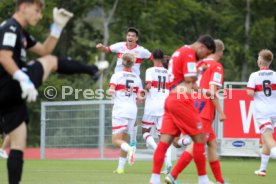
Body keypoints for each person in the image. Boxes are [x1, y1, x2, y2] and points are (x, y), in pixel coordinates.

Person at [0, 1, 108, 183]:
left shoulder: (21, 32)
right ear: (24, 6)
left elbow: (44, 50)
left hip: (11, 94)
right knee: (50, 61)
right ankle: (92, 70)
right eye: (37, 10)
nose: (39, 15)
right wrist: (23, 79)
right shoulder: (10, 28)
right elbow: (3, 57)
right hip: (8, 84)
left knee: (18, 142)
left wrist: (57, 28)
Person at [149, 35, 216, 184]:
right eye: (205, 54)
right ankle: (203, 180)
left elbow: (185, 82)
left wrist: (204, 92)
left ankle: (154, 179)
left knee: (164, 142)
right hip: (181, 100)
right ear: (202, 47)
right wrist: (200, 69)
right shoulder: (189, 53)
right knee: (200, 139)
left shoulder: (179, 51)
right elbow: (189, 78)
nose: (204, 57)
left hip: (171, 100)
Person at [167, 39, 227, 184]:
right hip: (204, 110)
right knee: (196, 145)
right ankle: (172, 175)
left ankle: (220, 180)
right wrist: (220, 111)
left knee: (212, 144)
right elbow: (212, 92)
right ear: (220, 52)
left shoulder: (199, 63)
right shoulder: (216, 67)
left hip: (192, 105)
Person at [96, 27, 152, 148]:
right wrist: (102, 48)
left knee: (133, 110)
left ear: (136, 38)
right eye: (128, 35)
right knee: (115, 108)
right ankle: (124, 138)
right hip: (119, 82)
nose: (130, 37)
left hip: (133, 83)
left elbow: (154, 58)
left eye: (132, 36)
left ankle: (132, 140)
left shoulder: (141, 51)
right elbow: (107, 49)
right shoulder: (120, 46)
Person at [109, 53, 143, 174]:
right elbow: (140, 97)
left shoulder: (116, 75)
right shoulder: (137, 78)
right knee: (124, 138)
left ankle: (130, 150)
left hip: (120, 110)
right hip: (132, 110)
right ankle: (120, 168)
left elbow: (111, 90)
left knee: (116, 141)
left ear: (122, 62)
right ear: (133, 63)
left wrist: (111, 92)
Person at [141, 48, 172, 174]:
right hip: (165, 105)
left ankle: (158, 151)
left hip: (152, 105)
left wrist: (144, 90)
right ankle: (168, 162)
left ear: (152, 57)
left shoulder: (150, 70)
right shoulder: (168, 72)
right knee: (163, 136)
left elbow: (148, 86)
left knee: (145, 131)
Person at [246, 49, 276, 177]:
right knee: (266, 140)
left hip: (262, 113)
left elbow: (250, 93)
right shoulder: (275, 75)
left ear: (260, 61)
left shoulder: (254, 75)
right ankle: (262, 169)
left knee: (268, 138)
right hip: (274, 110)